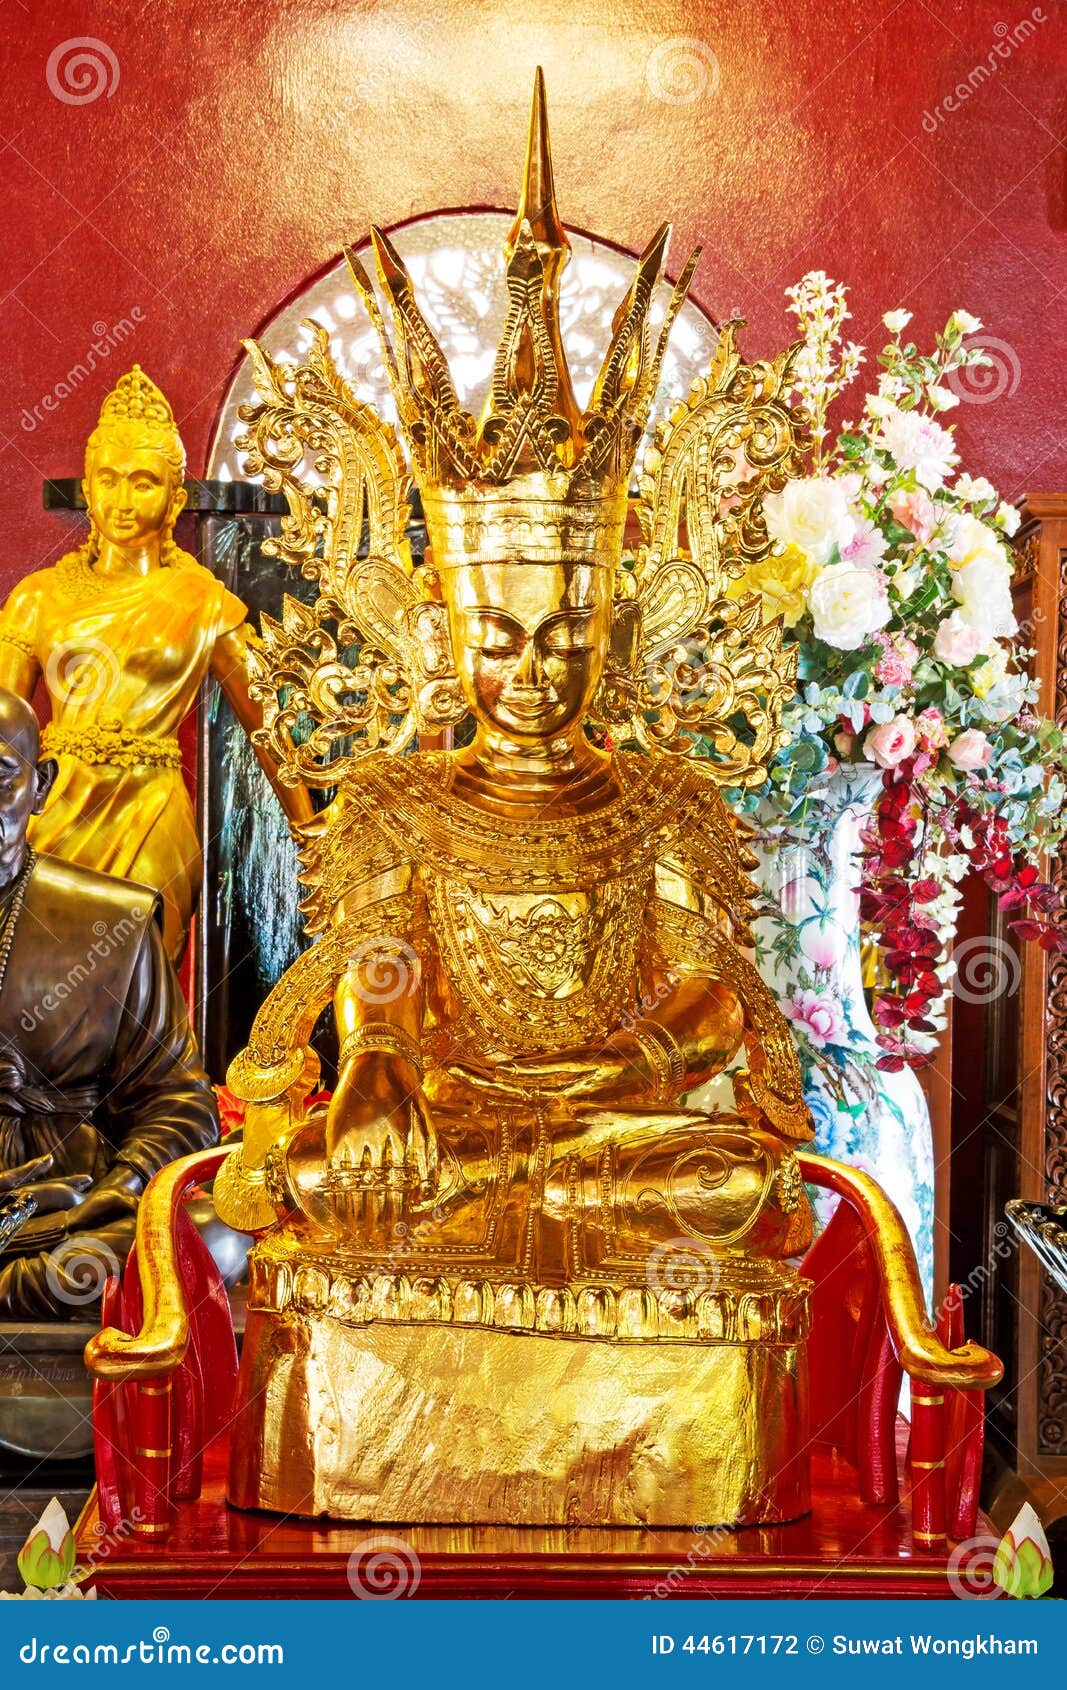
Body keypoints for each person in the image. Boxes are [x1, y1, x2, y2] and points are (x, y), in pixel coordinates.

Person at [0, 688, 219, 1318]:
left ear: (39, 788)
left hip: (61, 1218)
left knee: (211, 1232)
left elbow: (177, 1100)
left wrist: (124, 1185)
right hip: (51, 1262)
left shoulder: (110, 923)